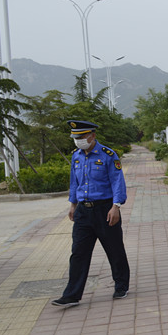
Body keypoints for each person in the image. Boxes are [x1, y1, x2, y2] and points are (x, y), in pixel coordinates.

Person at [52, 120, 129, 307]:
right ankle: (71, 294)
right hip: (83, 212)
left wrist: (116, 206)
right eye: (75, 137)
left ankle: (121, 286)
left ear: (92, 135)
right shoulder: (76, 157)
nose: (78, 140)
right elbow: (74, 182)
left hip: (105, 210)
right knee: (78, 253)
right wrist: (72, 204)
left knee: (114, 249)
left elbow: (117, 181)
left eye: (81, 137)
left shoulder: (108, 155)